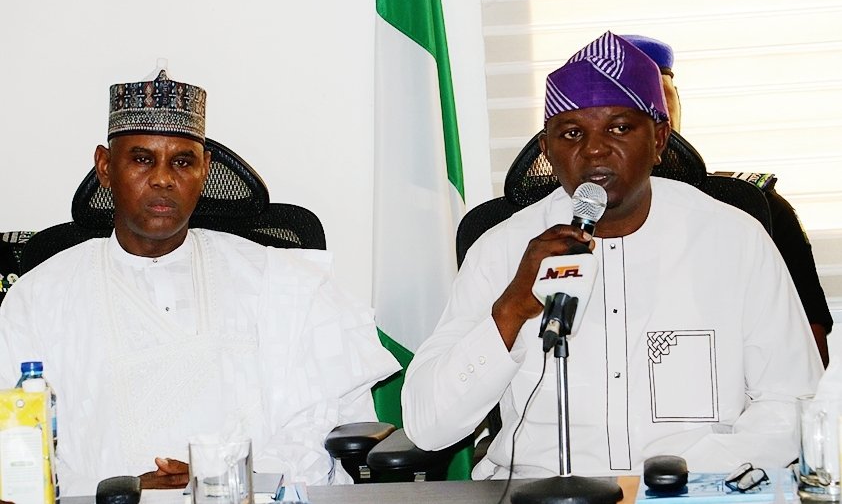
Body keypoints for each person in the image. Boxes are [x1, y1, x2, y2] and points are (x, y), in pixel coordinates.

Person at [401, 31, 822, 480]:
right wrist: (510, 310)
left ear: (660, 138)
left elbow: (793, 402)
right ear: (547, 149)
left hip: (692, 488)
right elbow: (428, 427)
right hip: (539, 490)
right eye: (572, 133)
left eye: (620, 128)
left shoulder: (735, 239)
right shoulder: (501, 249)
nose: (596, 148)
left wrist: (691, 476)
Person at [0, 69, 400, 496]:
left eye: (182, 161)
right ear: (104, 166)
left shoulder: (279, 282)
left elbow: (323, 428)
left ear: (205, 169)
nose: (162, 178)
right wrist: (133, 488)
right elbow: (15, 449)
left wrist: (221, 479)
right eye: (141, 158)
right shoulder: (42, 296)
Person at [623, 34, 834, 366]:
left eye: (662, 99)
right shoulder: (565, 217)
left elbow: (806, 352)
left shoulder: (753, 206)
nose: (654, 116)